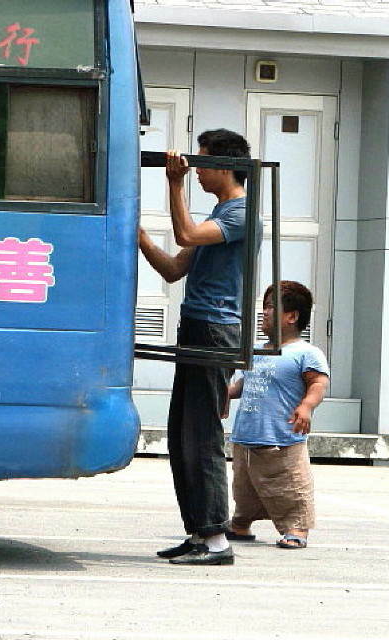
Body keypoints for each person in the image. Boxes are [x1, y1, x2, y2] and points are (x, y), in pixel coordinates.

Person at [139, 129, 254, 566]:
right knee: (183, 435)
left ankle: (217, 540)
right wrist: (138, 234)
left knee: (202, 436)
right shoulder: (221, 213)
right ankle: (198, 532)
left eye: (201, 162)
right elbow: (172, 268)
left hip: (215, 332)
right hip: (198, 326)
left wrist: (173, 183)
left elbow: (185, 234)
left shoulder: (242, 213)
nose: (196, 171)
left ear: (223, 167)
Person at [225, 280, 329, 549]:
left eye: (272, 307)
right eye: (264, 306)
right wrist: (226, 393)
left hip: (282, 438)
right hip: (247, 436)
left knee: (290, 486)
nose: (265, 313)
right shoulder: (257, 349)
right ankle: (240, 523)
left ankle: (297, 527)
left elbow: (317, 383)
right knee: (244, 488)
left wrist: (306, 406)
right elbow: (243, 384)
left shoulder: (305, 353)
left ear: (292, 316)